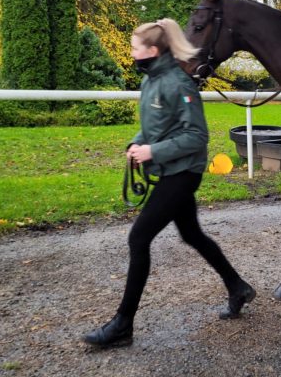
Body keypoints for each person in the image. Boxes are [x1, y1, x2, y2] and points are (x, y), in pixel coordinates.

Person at [83, 18, 256, 349]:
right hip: (169, 169)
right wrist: (137, 143)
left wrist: (152, 150)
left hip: (183, 173)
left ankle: (122, 325)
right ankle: (238, 287)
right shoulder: (151, 81)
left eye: (135, 47)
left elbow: (197, 136)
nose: (130, 52)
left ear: (152, 50)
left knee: (139, 238)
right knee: (192, 234)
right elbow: (155, 125)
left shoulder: (180, 83)